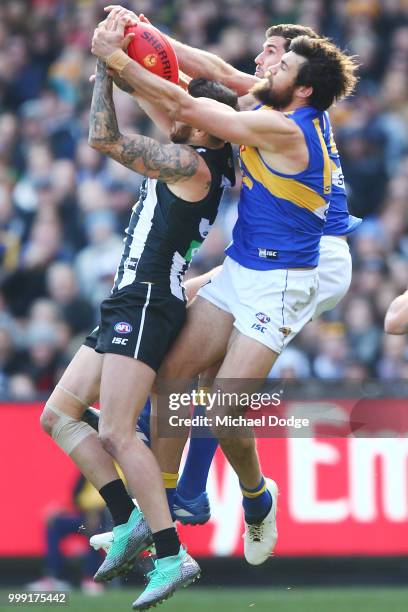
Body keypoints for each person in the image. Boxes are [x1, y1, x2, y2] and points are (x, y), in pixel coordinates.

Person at [91, 15, 358, 585]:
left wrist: (118, 63)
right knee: (174, 376)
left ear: (303, 86)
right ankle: (161, 505)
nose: (264, 66)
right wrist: (144, 31)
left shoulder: (289, 128)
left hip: (292, 274)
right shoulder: (273, 106)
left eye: (277, 60)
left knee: (220, 408)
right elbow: (208, 73)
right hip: (244, 264)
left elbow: (188, 109)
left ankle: (256, 498)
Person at [40, 20, 238, 609]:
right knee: (58, 416)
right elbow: (158, 90)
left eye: (185, 106)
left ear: (205, 124)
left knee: (117, 431)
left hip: (146, 301)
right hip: (131, 299)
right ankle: (128, 519)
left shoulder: (191, 164)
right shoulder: (194, 151)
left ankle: (171, 554)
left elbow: (103, 137)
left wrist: (105, 66)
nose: (173, 107)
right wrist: (129, 43)